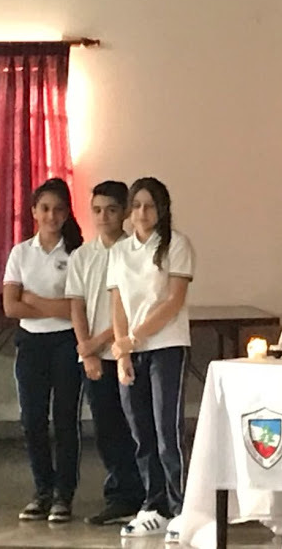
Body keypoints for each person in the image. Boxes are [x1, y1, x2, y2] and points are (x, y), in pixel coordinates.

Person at [107, 177, 195, 543]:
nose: (142, 212)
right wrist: (123, 349)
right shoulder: (120, 251)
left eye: (150, 205)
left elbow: (173, 301)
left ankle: (181, 507)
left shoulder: (177, 244)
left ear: (161, 209)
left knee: (166, 432)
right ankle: (154, 505)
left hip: (167, 347)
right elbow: (118, 304)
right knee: (141, 433)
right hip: (132, 351)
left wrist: (136, 337)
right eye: (137, 205)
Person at [64, 181, 146, 526]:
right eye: (97, 210)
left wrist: (96, 343)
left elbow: (134, 309)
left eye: (111, 210)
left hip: (128, 351)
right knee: (107, 428)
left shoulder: (135, 252)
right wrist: (87, 352)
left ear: (125, 212)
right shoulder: (82, 256)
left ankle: (148, 494)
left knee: (137, 427)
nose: (104, 217)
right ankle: (119, 496)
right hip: (96, 358)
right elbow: (77, 306)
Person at [2, 178, 84, 523]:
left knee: (65, 419)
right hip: (31, 343)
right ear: (34, 211)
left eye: (58, 209)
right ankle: (42, 490)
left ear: (67, 213)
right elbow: (11, 306)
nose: (51, 215)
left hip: (67, 342)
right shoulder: (21, 252)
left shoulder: (77, 254)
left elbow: (77, 309)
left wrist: (33, 299)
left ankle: (64, 494)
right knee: (32, 419)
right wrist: (55, 306)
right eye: (45, 208)